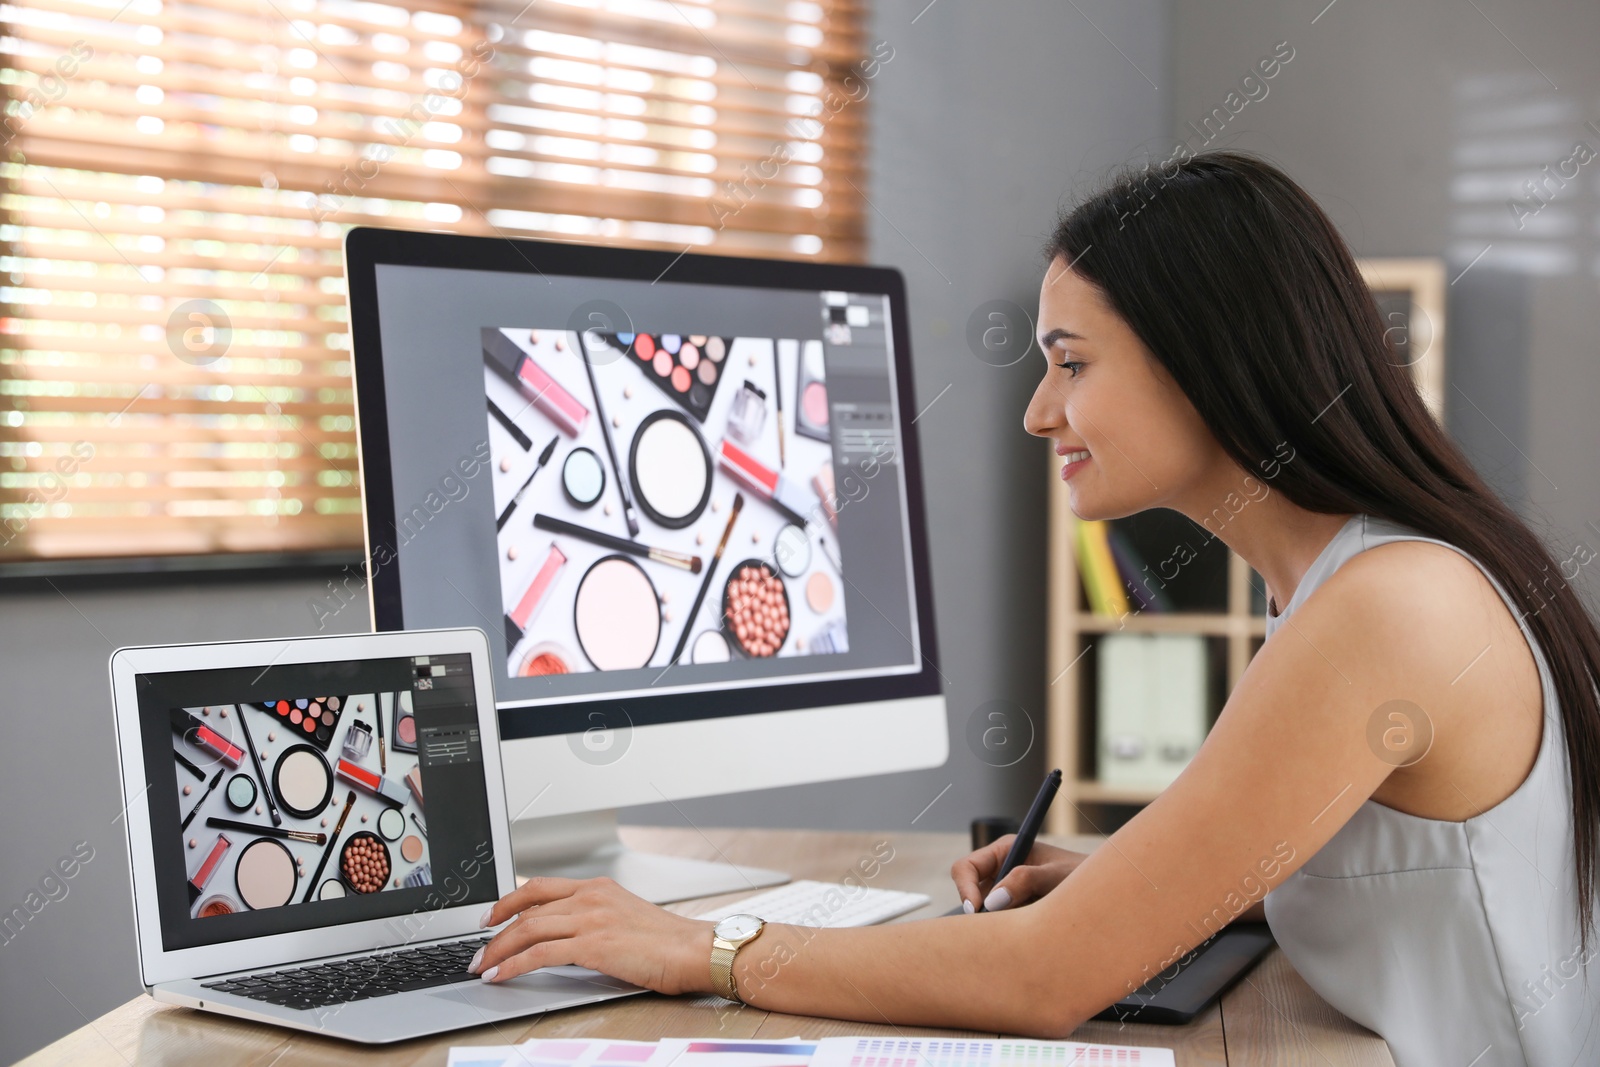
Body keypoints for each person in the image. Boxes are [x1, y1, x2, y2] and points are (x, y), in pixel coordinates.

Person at [466, 152, 1600, 1066]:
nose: (1036, 412)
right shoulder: (1329, 579)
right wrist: (1146, 881)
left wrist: (701, 944)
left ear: (1209, 357)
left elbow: (1043, 979)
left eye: (1069, 361)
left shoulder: (1389, 608)